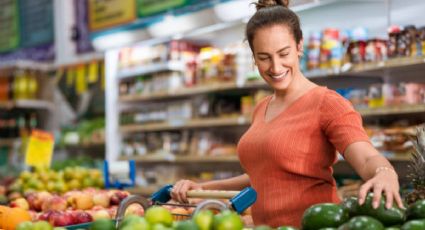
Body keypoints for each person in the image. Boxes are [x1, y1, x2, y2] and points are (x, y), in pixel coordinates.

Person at [171, 0, 403, 227]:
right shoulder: (262, 107)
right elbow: (264, 175)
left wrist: (384, 172)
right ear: (253, 57)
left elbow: (366, 157)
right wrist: (201, 188)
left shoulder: (327, 103)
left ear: (299, 46)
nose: (275, 67)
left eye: (284, 53)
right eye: (264, 57)